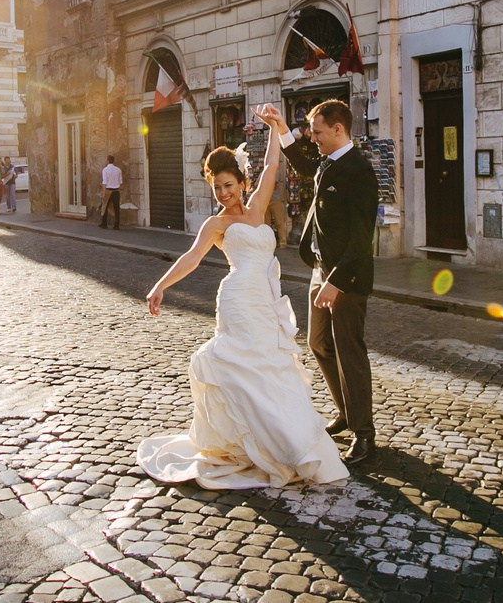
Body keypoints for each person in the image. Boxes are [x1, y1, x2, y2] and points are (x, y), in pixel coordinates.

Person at [139, 104, 348, 490]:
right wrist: (161, 285)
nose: (222, 193)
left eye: (228, 185)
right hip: (237, 300)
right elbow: (192, 257)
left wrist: (274, 126)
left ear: (241, 182)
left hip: (264, 303)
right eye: (216, 187)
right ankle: (253, 442)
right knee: (243, 369)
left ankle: (289, 443)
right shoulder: (216, 224)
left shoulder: (256, 210)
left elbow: (272, 167)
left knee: (271, 369)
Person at [279, 100, 379, 463]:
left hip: (346, 277)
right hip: (320, 269)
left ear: (338, 129)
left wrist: (336, 281)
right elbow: (305, 166)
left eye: (318, 132)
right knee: (319, 343)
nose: (314, 139)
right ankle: (345, 412)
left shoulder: (359, 170)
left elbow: (361, 237)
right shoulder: (327, 162)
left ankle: (364, 434)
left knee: (349, 351)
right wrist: (280, 128)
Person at [99, 155, 123, 229]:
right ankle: (116, 225)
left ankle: (104, 223)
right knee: (116, 208)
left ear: (107, 160)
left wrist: (103, 192)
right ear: (113, 160)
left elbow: (104, 182)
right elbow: (120, 182)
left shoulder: (105, 170)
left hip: (108, 190)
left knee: (104, 207)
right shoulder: (118, 170)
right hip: (116, 191)